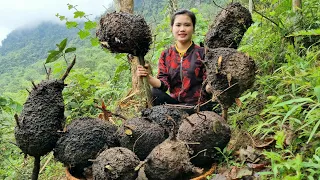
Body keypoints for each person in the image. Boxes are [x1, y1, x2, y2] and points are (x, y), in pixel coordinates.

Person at [137, 9, 215, 113]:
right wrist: (148, 77)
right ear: (172, 28)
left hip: (199, 107)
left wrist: (213, 86)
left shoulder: (203, 53)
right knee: (154, 93)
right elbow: (164, 85)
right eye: (178, 25)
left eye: (187, 25)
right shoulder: (166, 55)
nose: (182, 29)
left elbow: (207, 85)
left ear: (193, 28)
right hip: (176, 106)